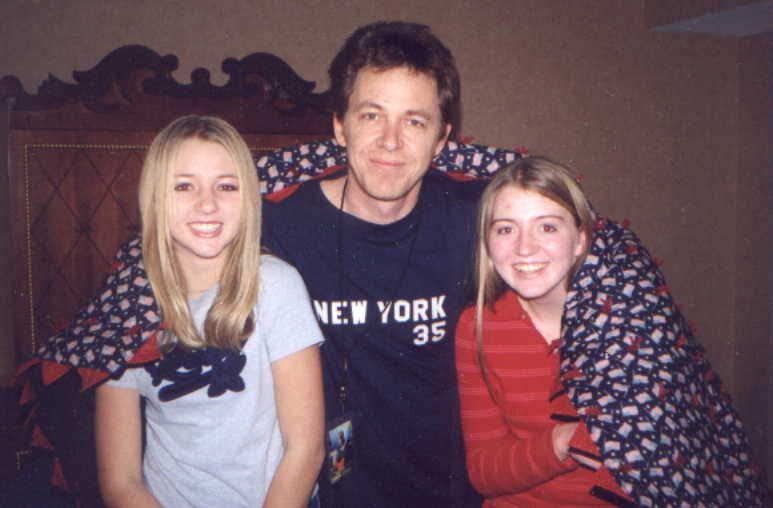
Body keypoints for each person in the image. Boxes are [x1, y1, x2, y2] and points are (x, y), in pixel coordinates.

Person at [456, 157, 769, 507]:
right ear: (487, 242)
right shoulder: (477, 327)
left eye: (547, 227)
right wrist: (563, 441)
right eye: (506, 229)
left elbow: (679, 454)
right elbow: (483, 471)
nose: (525, 248)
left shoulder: (630, 319)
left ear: (580, 241)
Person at [261, 21, 486, 507]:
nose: (390, 141)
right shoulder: (275, 223)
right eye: (371, 115)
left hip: (451, 495)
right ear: (339, 126)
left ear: (442, 139)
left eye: (414, 121)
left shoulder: (485, 218)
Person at [94, 115, 325, 507]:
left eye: (226, 186)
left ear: (248, 198)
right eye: (184, 186)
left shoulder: (276, 286)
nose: (207, 204)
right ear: (155, 197)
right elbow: (121, 480)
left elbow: (305, 450)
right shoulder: (124, 307)